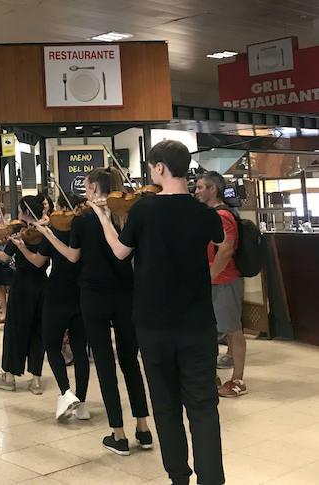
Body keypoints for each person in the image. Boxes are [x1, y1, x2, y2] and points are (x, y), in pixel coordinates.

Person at [92, 140, 225, 484]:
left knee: (166, 407)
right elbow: (220, 238)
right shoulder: (205, 214)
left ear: (161, 168)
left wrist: (104, 217)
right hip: (198, 323)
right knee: (203, 408)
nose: (151, 173)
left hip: (153, 324)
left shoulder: (143, 211)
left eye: (152, 168)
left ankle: (178, 477)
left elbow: (121, 252)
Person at [35, 167, 152, 456]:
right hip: (127, 295)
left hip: (94, 296)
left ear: (96, 189)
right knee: (130, 362)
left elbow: (73, 257)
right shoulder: (129, 216)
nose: (85, 194)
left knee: (105, 364)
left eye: (87, 188)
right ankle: (144, 428)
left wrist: (49, 235)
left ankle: (119, 435)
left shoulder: (83, 220)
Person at [35, 193, 90, 420]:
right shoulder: (87, 227)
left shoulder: (54, 231)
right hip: (82, 293)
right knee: (80, 349)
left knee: (51, 343)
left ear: (59, 208)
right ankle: (82, 402)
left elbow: (39, 262)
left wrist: (27, 244)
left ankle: (66, 392)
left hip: (58, 293)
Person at [0, 197, 48, 391]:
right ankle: (36, 380)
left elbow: (5, 258)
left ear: (26, 212)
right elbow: (6, 256)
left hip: (21, 285)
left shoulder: (22, 231)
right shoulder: (45, 231)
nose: (18, 215)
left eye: (20, 211)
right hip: (41, 285)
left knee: (15, 330)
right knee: (38, 332)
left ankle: (9, 376)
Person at [195, 171, 247, 399]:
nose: (196, 191)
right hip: (216, 279)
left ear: (212, 189)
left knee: (233, 329)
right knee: (214, 329)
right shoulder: (210, 214)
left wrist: (210, 276)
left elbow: (226, 248)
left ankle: (238, 379)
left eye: (199, 187)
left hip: (225, 280)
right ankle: (213, 375)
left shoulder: (223, 215)